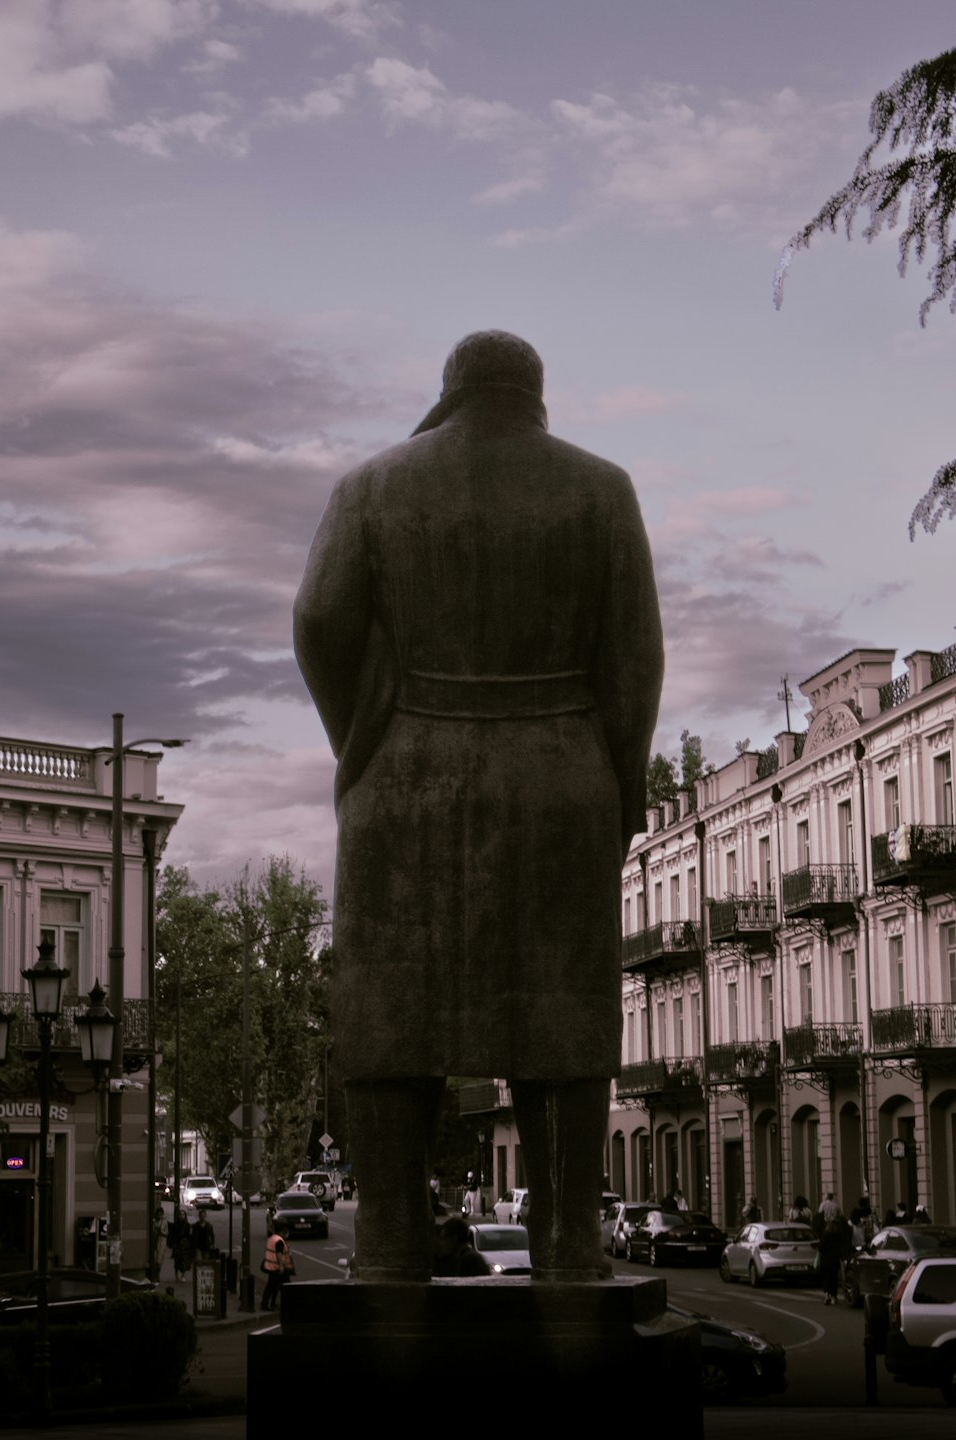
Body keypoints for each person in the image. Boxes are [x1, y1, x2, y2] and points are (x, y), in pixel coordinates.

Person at [294, 331, 663, 1282]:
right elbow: (634, 662)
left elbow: (319, 621)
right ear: (536, 394)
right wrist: (615, 789)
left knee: (390, 1022)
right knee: (565, 1026)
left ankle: (384, 1250)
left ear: (450, 390)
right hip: (561, 777)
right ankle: (573, 1252)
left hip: (405, 771)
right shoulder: (602, 488)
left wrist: (368, 734)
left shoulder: (369, 486)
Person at [260, 1221, 294, 1311]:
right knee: (284, 1286)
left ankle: (272, 1303)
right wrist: (282, 1266)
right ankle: (266, 1304)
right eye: (286, 1233)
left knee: (273, 1286)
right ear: (283, 1232)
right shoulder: (279, 1241)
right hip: (276, 1267)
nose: (288, 1235)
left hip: (271, 1266)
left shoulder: (273, 1238)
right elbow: (279, 1253)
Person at [170, 1208, 194, 1281]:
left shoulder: (187, 1225)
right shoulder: (175, 1225)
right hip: (177, 1244)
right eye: (180, 1214)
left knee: (184, 1260)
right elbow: (172, 1234)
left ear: (185, 1216)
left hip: (184, 1244)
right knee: (177, 1260)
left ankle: (183, 1275)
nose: (181, 1216)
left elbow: (189, 1235)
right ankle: (176, 1276)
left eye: (183, 1214)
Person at [151, 1205, 169, 1284]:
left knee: (159, 1261)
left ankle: (157, 1275)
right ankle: (154, 1275)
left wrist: (161, 1232)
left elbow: (166, 1233)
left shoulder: (164, 1222)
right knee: (154, 1260)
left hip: (161, 1242)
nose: (159, 1216)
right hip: (154, 1242)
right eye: (158, 1214)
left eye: (160, 1214)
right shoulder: (153, 1222)